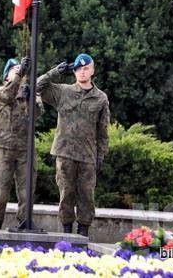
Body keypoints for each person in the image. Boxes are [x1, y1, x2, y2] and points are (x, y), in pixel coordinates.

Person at [36, 53, 109, 238]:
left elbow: (103, 131)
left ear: (92, 70)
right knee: (66, 194)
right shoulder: (63, 91)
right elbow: (36, 87)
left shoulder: (100, 98)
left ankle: (83, 232)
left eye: (85, 69)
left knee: (86, 196)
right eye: (78, 69)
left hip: (87, 155)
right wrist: (54, 72)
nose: (82, 72)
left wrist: (101, 155)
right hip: (65, 153)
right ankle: (67, 232)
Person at [0, 56, 44, 230]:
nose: (20, 72)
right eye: (15, 70)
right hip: (4, 148)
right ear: (7, 76)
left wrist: (29, 98)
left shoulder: (31, 93)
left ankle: (24, 222)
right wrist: (20, 74)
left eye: (22, 70)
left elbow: (38, 114)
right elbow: (7, 96)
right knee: (1, 192)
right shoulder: (0, 91)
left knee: (26, 192)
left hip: (25, 149)